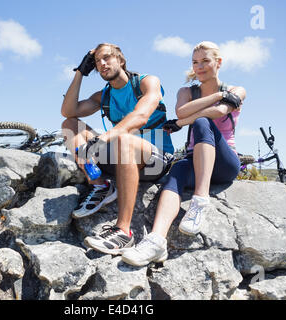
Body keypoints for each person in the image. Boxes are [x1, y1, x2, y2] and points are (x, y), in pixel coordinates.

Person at [121, 41, 246, 267]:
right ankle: (156, 241)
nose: (199, 67)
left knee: (202, 122)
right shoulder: (186, 91)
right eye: (195, 62)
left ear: (218, 63)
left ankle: (200, 200)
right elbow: (182, 109)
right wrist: (217, 96)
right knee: (177, 170)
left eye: (205, 61)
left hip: (224, 163)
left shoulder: (237, 90)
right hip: (194, 158)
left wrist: (180, 123)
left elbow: (218, 112)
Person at [61, 43, 174, 255]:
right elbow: (68, 111)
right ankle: (101, 186)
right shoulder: (103, 96)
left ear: (120, 60)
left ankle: (124, 232)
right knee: (70, 126)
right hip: (122, 158)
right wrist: (79, 73)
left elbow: (141, 116)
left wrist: (104, 138)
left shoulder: (146, 82)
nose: (102, 64)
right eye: (96, 63)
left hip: (155, 159)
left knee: (123, 139)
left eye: (107, 58)